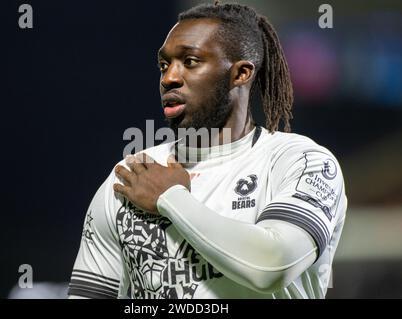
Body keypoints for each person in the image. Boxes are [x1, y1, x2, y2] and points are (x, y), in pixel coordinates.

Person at [68, 2, 347, 299]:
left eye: (190, 61)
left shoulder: (301, 162)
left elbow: (272, 266)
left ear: (240, 74)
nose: (169, 78)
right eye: (164, 65)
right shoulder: (130, 177)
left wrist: (171, 198)